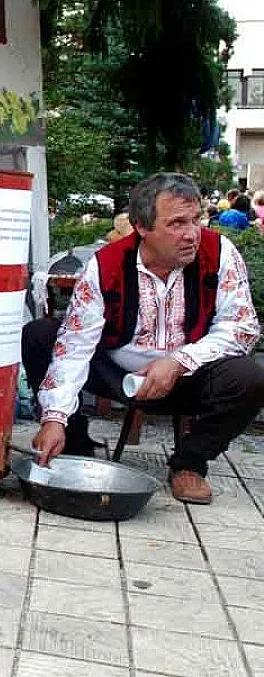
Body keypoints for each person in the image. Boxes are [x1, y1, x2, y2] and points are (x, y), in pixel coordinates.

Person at [22, 172, 264, 505]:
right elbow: (75, 347)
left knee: (249, 376)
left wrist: (179, 362)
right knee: (41, 335)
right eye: (177, 223)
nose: (192, 234)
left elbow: (242, 327)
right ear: (141, 227)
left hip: (191, 378)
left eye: (196, 220)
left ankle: (190, 463)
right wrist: (54, 418)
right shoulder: (106, 265)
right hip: (116, 375)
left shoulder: (219, 254)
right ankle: (74, 446)